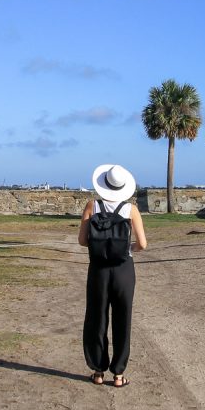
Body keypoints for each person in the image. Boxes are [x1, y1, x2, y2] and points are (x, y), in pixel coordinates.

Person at [78, 163, 147, 388]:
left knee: (96, 318)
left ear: (103, 184)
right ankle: (118, 375)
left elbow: (82, 241)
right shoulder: (131, 209)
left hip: (98, 268)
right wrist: (128, 249)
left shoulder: (92, 206)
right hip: (124, 269)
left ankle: (98, 371)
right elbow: (143, 244)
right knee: (122, 319)